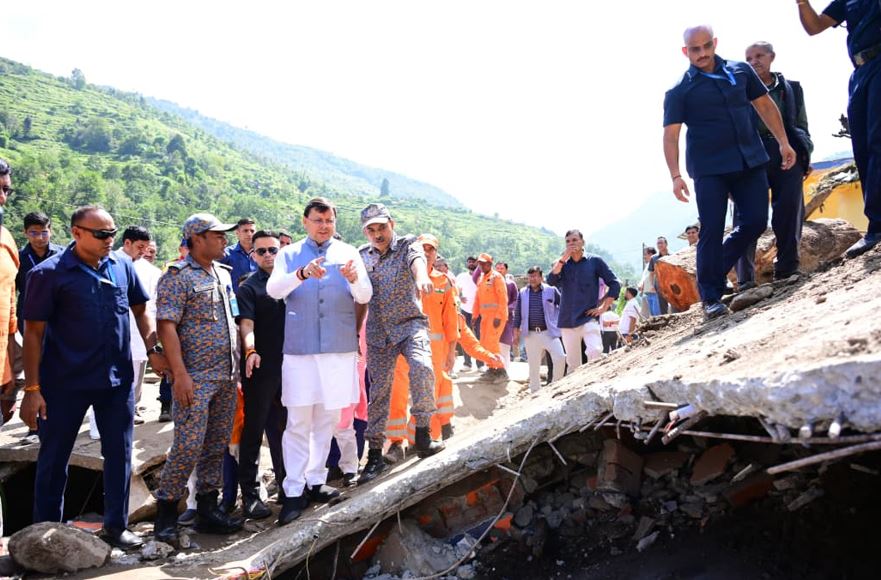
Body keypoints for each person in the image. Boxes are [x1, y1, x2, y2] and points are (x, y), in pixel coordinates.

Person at [20, 205, 170, 549]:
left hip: (115, 383)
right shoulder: (49, 274)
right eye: (101, 234)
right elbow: (33, 334)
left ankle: (116, 527)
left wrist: (153, 347)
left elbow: (140, 310)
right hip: (63, 383)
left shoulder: (121, 266)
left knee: (120, 455)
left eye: (112, 234)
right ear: (76, 233)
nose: (109, 240)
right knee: (54, 458)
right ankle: (46, 534)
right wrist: (32, 389)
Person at [663, 25, 796, 319]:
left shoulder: (741, 72)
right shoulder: (679, 90)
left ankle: (712, 269)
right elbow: (671, 135)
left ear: (715, 43)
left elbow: (764, 104)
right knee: (710, 228)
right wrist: (675, 176)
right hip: (710, 169)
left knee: (757, 221)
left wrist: (784, 142)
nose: (702, 53)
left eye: (706, 46)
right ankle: (710, 296)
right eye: (694, 49)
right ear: (686, 52)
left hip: (749, 160)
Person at [267, 198, 372, 524]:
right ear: (305, 222)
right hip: (300, 351)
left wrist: (354, 278)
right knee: (298, 421)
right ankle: (293, 490)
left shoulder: (349, 253)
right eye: (318, 220)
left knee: (327, 418)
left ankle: (315, 481)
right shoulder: (288, 254)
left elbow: (365, 296)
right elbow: (274, 289)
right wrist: (300, 274)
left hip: (337, 350)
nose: (324, 225)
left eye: (329, 220)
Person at [152, 213, 243, 544]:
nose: (224, 240)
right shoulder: (177, 276)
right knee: (188, 446)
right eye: (217, 235)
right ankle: (165, 512)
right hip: (195, 378)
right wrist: (179, 375)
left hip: (225, 376)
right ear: (197, 239)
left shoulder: (223, 273)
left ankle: (208, 508)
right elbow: (167, 327)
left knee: (215, 446)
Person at [357, 203, 444, 485]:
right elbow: (358, 295)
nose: (377, 233)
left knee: (422, 368)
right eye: (371, 229)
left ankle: (422, 434)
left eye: (382, 227)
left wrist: (422, 279)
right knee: (379, 391)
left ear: (391, 224)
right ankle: (373, 456)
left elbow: (417, 264)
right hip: (378, 333)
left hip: (410, 324)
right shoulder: (361, 256)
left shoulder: (408, 245)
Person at [798, 1, 881, 258]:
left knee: (878, 140)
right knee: (864, 147)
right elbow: (814, 26)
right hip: (860, 72)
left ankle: (878, 226)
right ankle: (876, 226)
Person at [735, 41, 813, 289]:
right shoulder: (738, 92)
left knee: (789, 209)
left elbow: (801, 124)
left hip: (784, 150)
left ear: (772, 57)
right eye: (748, 58)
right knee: (746, 216)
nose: (754, 61)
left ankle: (788, 268)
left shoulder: (790, 89)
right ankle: (746, 280)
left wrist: (804, 154)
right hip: (750, 155)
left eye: (759, 55)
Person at [236, 230, 288, 520]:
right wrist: (251, 350)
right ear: (253, 255)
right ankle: (251, 497)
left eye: (272, 250)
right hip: (260, 369)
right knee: (254, 432)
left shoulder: (291, 282)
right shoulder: (250, 288)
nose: (268, 255)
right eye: (262, 251)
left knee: (286, 430)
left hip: (291, 368)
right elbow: (247, 324)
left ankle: (288, 485)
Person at [547, 229, 621, 374]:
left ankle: (596, 384)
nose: (571, 244)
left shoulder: (595, 261)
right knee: (573, 364)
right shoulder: (562, 264)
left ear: (583, 242)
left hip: (588, 316)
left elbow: (614, 283)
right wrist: (564, 258)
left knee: (595, 351)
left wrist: (603, 307)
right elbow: (551, 280)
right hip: (567, 319)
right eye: (568, 241)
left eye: (574, 240)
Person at [117, 226, 161, 425]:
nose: (143, 252)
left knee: (135, 376)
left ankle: (130, 410)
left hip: (138, 333)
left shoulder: (150, 271)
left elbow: (151, 306)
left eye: (146, 247)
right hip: (112, 333)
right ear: (127, 243)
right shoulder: (108, 262)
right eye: (140, 247)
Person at [513, 266, 565, 393]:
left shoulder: (551, 290)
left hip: (549, 332)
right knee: (533, 365)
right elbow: (518, 313)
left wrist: (559, 322)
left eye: (535, 276)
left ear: (541, 277)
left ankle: (556, 385)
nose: (533, 279)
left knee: (560, 357)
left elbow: (563, 306)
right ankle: (535, 392)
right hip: (530, 334)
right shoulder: (523, 293)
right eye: (530, 276)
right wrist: (516, 333)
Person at [0, 160, 18, 429]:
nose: (2, 197)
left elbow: (10, 309)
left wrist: (10, 374)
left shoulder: (6, 239)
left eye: (6, 190)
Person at [472, 253, 509, 382]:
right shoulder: (481, 279)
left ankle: (501, 371)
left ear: (489, 264)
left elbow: (503, 298)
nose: (481, 266)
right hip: (485, 317)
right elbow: (477, 298)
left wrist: (499, 316)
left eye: (483, 263)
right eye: (479, 263)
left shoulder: (497, 277)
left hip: (496, 317)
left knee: (492, 344)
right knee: (485, 344)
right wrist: (475, 314)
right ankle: (491, 369)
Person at [455, 257, 480, 370]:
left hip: (479, 311)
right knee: (465, 337)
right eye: (469, 262)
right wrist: (460, 297)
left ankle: (481, 364)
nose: (471, 263)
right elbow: (455, 291)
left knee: (479, 337)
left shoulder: (482, 276)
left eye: (473, 262)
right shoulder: (461, 276)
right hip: (465, 310)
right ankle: (467, 363)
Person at [221, 217, 257, 292]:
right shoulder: (227, 253)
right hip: (235, 299)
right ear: (237, 233)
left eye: (252, 231)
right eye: (245, 231)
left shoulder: (263, 253)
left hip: (259, 299)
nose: (249, 234)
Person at [495, 262, 518, 368]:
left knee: (505, 345)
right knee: (493, 345)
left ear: (506, 270)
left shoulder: (511, 284)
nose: (499, 270)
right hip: (492, 318)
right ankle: (494, 369)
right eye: (497, 268)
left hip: (507, 318)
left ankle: (505, 370)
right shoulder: (490, 283)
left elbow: (515, 299)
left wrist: (507, 309)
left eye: (502, 268)